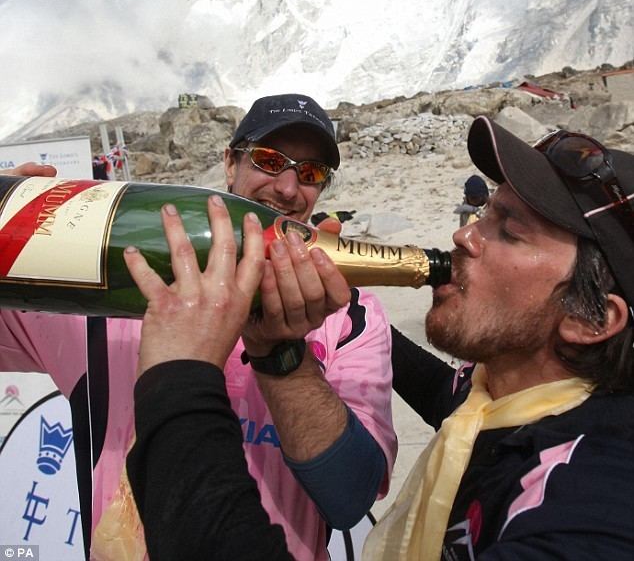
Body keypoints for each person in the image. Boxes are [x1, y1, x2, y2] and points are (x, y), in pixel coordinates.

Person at [126, 115, 634, 560]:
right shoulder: (498, 400)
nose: (462, 235)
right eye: (484, 214)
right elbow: (437, 387)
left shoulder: (590, 499)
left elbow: (348, 495)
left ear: (590, 320)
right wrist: (303, 324)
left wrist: (180, 376)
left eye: (509, 231)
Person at [0, 94, 397, 561]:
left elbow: (348, 498)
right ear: (230, 163)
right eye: (270, 161)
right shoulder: (119, 285)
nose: (289, 188)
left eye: (310, 173)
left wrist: (283, 355)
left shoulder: (350, 314)